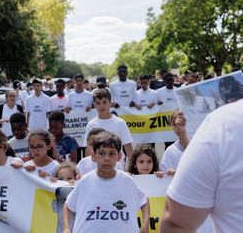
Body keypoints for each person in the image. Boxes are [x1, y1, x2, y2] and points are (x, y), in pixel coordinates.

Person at [159, 99, 243, 233]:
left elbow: (175, 224)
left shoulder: (219, 126)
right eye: (175, 122)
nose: (178, 124)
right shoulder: (171, 151)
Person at [63, 131, 150, 233]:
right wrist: (66, 228)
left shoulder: (127, 181)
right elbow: (68, 205)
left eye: (112, 154)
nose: (107, 158)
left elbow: (144, 201)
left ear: (119, 156)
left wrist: (145, 224)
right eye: (101, 153)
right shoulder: (85, 181)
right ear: (93, 156)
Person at [84, 88, 133, 168]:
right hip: (97, 168)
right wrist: (86, 168)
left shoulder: (120, 123)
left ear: (110, 103)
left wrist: (133, 168)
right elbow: (89, 148)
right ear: (94, 105)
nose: (101, 106)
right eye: (98, 103)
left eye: (104, 102)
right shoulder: (91, 124)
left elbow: (128, 147)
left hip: (118, 167)